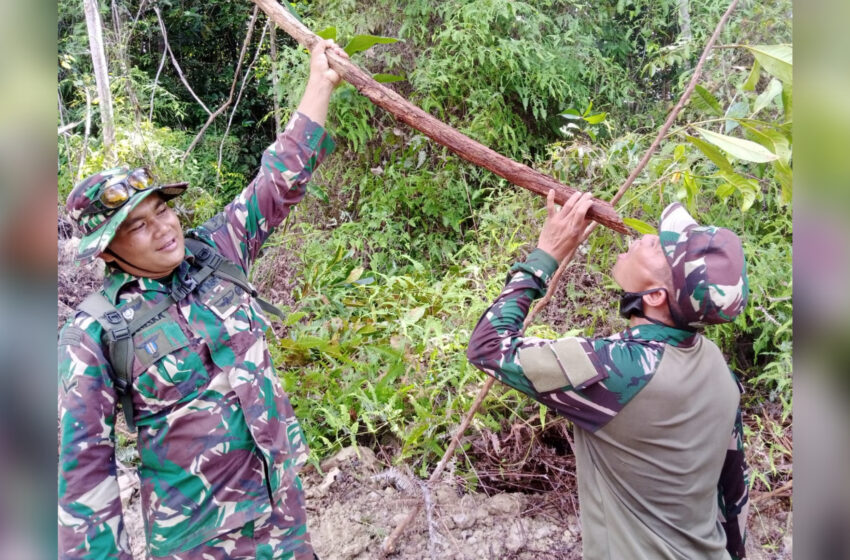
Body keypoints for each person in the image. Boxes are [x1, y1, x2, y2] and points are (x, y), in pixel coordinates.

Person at [58, 39, 348, 560]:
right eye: (138, 227)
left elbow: (279, 178)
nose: (163, 229)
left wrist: (320, 82)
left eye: (162, 211)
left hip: (282, 502)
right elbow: (83, 475)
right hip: (202, 539)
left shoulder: (216, 250)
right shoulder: (94, 335)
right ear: (108, 251)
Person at [466, 191, 750, 559]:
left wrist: (545, 256)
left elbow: (488, 346)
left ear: (654, 297)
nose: (646, 236)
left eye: (659, 248)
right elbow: (732, 490)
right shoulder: (715, 365)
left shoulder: (618, 370)